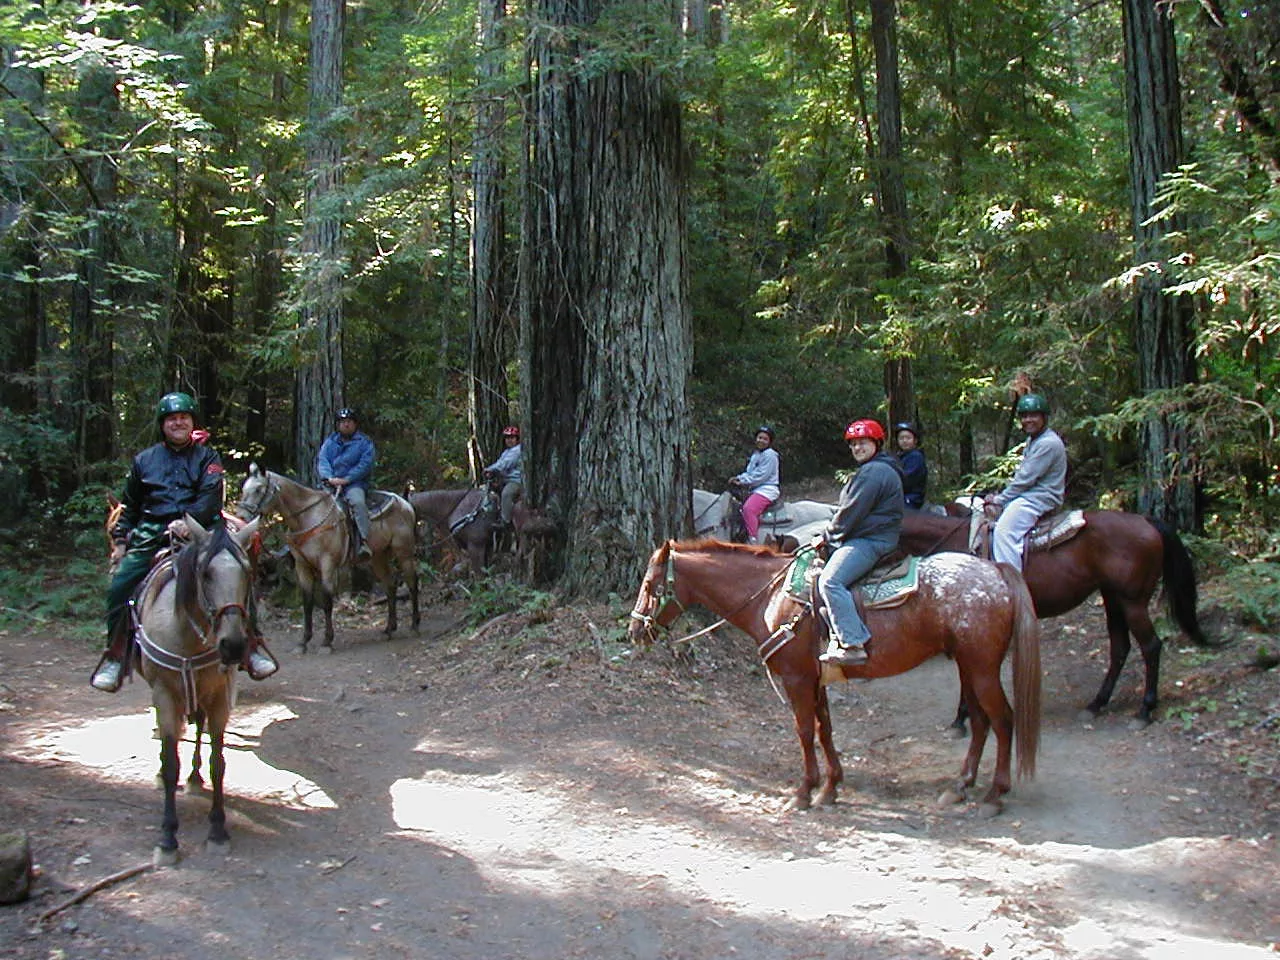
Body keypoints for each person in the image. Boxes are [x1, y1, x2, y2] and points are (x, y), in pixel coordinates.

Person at [92, 392, 276, 692]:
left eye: (184, 418)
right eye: (171, 419)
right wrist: (122, 540)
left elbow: (210, 497)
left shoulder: (208, 458)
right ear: (163, 424)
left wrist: (188, 521)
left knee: (235, 575)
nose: (178, 423)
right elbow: (131, 507)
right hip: (153, 533)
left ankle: (251, 647)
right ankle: (116, 657)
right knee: (119, 588)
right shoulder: (143, 461)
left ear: (192, 422)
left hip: (203, 532)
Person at [816, 419, 905, 667]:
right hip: (874, 535)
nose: (857, 448)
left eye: (863, 443)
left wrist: (827, 536)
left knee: (830, 581)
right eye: (853, 444)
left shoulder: (874, 472)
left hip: (872, 540)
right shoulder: (877, 468)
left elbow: (850, 513)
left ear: (876, 443)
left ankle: (853, 643)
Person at [984, 392, 1068, 571]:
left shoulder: (1048, 443)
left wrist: (1000, 499)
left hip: (1039, 498)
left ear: (1044, 417)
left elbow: (1025, 480)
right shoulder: (1034, 440)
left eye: (1034, 415)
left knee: (1004, 533)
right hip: (1032, 495)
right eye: (1024, 416)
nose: (1028, 420)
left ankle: (1012, 587)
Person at [317, 407, 376, 560]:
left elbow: (365, 464)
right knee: (313, 504)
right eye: (342, 422)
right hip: (331, 483)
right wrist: (329, 478)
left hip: (354, 484)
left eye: (349, 422)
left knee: (358, 503)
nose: (346, 425)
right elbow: (323, 461)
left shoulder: (364, 443)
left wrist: (347, 479)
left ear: (355, 424)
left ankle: (364, 541)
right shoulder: (330, 442)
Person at [730, 425, 781, 544]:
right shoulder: (756, 455)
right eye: (759, 438)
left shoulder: (770, 455)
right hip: (756, 488)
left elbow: (761, 476)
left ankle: (753, 540)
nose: (761, 441)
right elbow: (750, 473)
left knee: (749, 509)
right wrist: (738, 478)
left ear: (769, 442)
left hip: (767, 489)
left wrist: (742, 481)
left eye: (765, 439)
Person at [483, 425, 523, 530]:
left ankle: (506, 521)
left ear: (516, 439)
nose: (509, 440)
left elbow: (504, 464)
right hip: (504, 480)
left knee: (506, 494)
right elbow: (499, 463)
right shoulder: (506, 452)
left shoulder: (517, 450)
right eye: (507, 438)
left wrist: (490, 470)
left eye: (512, 438)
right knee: (487, 492)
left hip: (515, 481)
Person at [893, 421, 928, 510]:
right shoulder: (899, 456)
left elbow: (906, 479)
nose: (904, 441)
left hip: (911, 499)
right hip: (901, 497)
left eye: (908, 438)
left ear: (915, 440)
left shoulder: (916, 457)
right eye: (901, 438)